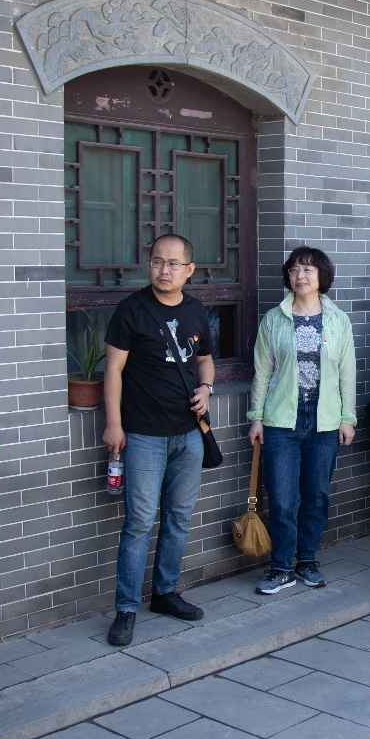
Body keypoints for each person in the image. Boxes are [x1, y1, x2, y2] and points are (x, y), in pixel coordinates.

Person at [102, 234, 213, 647]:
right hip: (143, 435)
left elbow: (205, 361)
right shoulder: (131, 310)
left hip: (189, 434)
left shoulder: (196, 311)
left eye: (173, 263)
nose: (164, 270)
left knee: (179, 519)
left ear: (189, 269)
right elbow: (113, 370)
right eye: (157, 262)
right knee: (138, 523)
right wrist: (113, 424)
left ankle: (165, 593)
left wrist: (207, 389)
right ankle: (126, 608)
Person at [249, 247, 356, 594]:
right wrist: (256, 417)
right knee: (282, 498)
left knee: (316, 495)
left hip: (324, 420)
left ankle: (307, 561)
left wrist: (347, 417)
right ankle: (281, 567)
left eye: (308, 270)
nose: (301, 276)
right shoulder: (274, 319)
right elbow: (262, 372)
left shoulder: (338, 320)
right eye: (295, 270)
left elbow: (347, 374)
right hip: (282, 418)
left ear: (322, 276)